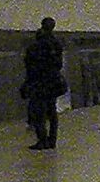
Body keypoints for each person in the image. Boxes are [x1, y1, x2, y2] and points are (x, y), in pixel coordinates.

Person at [21, 16, 66, 147]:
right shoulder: (56, 44)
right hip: (53, 83)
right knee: (52, 111)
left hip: (39, 83)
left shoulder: (36, 45)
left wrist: (28, 83)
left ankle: (42, 140)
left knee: (38, 113)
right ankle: (52, 140)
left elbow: (30, 67)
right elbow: (59, 65)